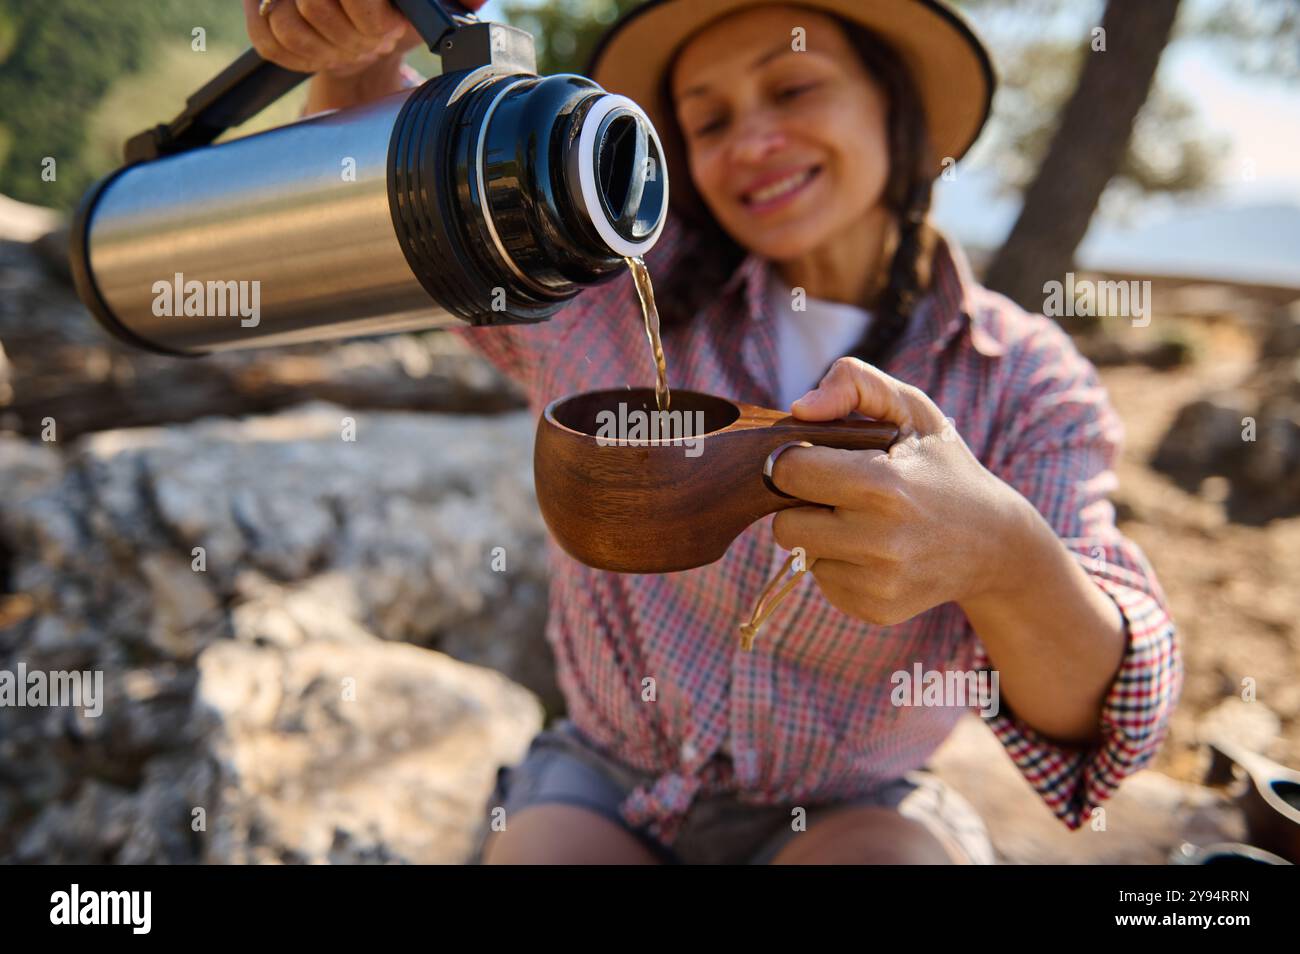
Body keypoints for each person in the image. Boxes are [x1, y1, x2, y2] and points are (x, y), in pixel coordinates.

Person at [244, 0, 1182, 864]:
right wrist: (360, 54)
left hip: (855, 805)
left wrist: (1004, 557)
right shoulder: (604, 282)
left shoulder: (1021, 380)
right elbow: (413, 215)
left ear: (899, 111)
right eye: (710, 120)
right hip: (605, 781)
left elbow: (1100, 712)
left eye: (794, 86)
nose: (756, 141)